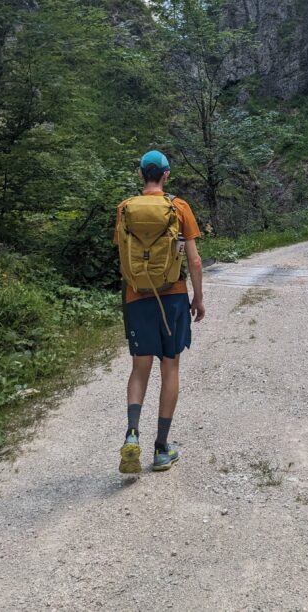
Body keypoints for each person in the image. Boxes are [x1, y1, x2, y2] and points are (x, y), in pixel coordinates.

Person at [114, 150, 206, 474]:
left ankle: (132, 434)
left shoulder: (125, 209)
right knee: (170, 368)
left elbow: (125, 254)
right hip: (173, 297)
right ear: (166, 175)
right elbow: (194, 260)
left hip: (136, 296)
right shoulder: (178, 208)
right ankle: (161, 449)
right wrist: (198, 298)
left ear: (141, 175)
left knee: (140, 370)